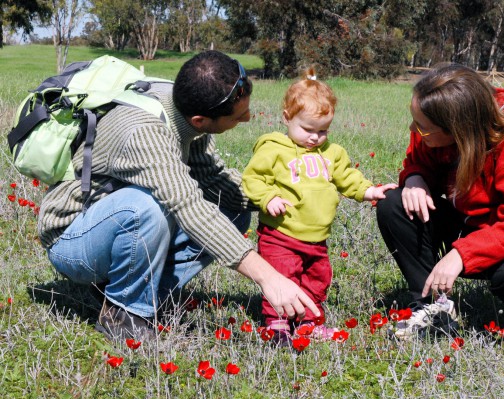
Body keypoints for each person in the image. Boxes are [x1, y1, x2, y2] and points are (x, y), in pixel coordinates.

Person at [38, 50, 321, 341]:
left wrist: (282, 196)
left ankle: (141, 293)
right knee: (146, 208)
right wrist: (269, 278)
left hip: (113, 226)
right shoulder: (144, 134)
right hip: (73, 238)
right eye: (239, 116)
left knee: (232, 208)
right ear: (200, 120)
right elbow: (190, 208)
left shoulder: (184, 107)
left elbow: (210, 179)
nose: (248, 118)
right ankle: (123, 314)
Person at [376, 63, 504, 350]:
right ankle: (432, 306)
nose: (413, 129)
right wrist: (415, 179)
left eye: (422, 128)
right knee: (395, 204)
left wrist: (461, 254)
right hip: (473, 224)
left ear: (457, 129)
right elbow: (419, 160)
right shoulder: (435, 121)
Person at [242, 69, 397, 345]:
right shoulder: (273, 149)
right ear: (287, 118)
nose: (315, 137)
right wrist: (268, 198)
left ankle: (308, 322)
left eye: (322, 130)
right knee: (283, 275)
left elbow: (347, 177)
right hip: (281, 234)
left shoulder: (332, 153)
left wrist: (369, 190)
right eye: (308, 129)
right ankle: (277, 323)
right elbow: (252, 179)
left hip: (317, 238)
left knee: (318, 278)